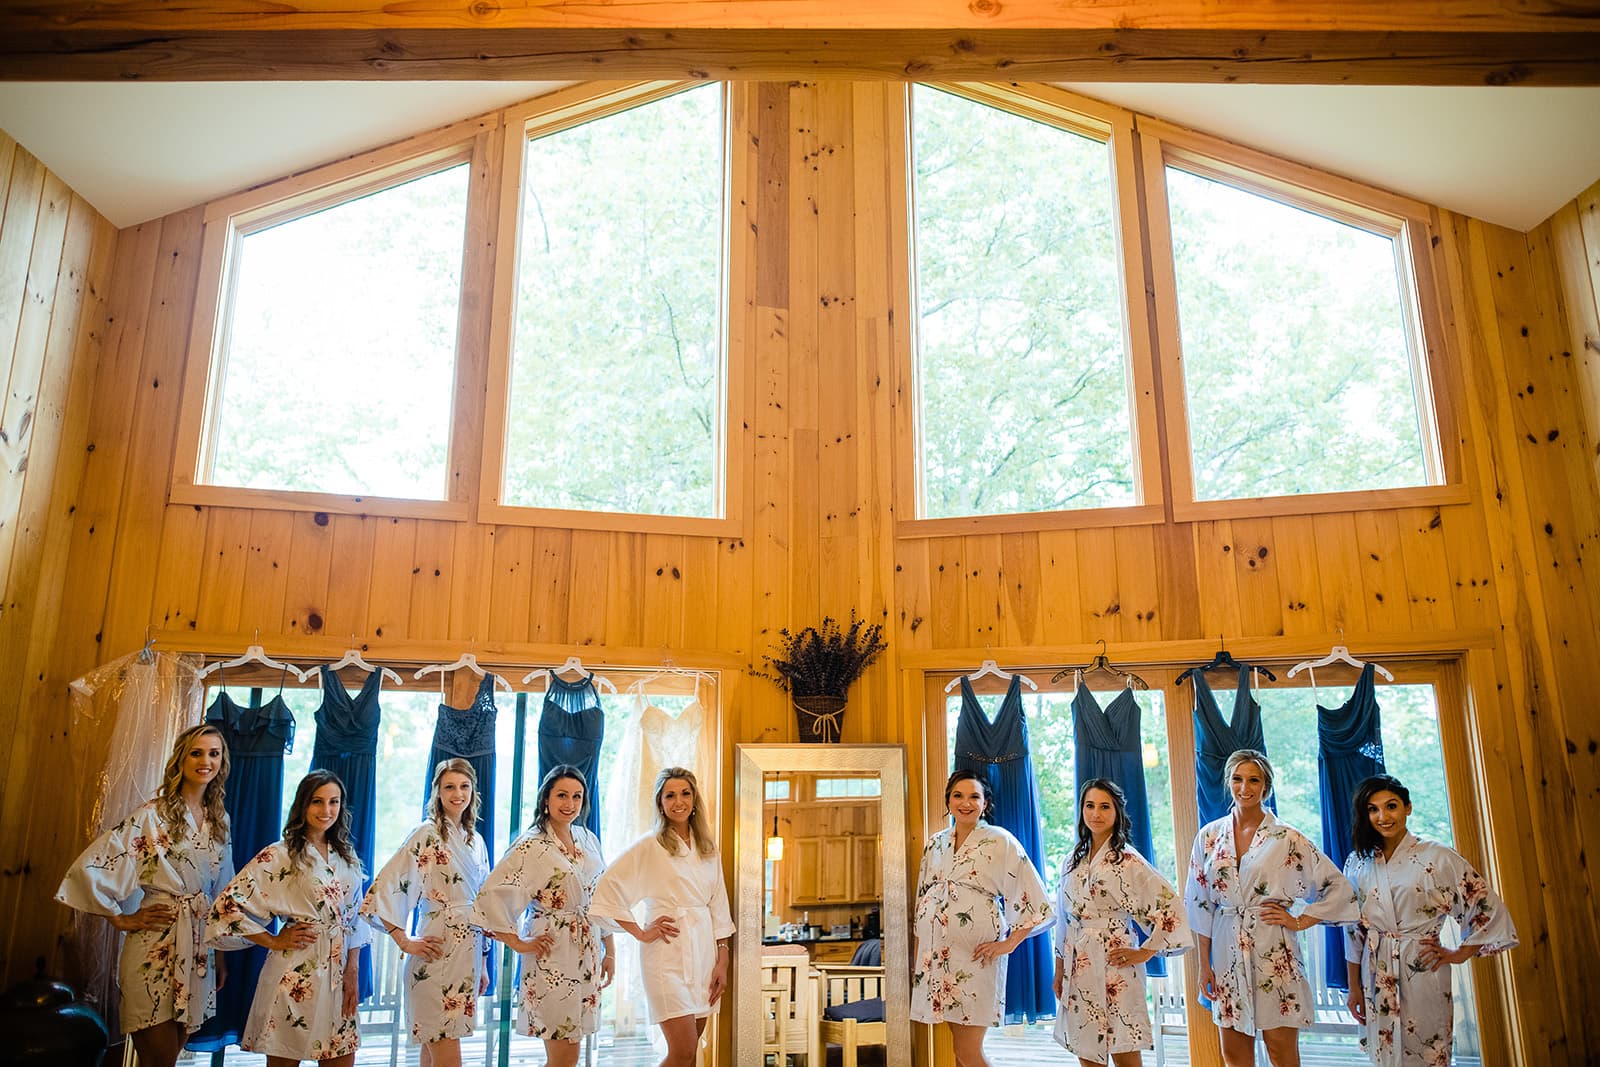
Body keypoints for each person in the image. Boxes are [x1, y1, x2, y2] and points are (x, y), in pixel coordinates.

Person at [56, 723, 234, 1067]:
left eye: (214, 753)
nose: (206, 761)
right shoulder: (152, 814)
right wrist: (123, 918)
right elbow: (91, 867)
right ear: (181, 759)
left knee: (175, 1050)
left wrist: (221, 953)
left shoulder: (219, 820)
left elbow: (223, 887)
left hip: (198, 948)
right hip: (154, 942)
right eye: (197, 752)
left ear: (222, 761)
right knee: (160, 1059)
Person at [1185, 748, 1359, 1067]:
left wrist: (1301, 920)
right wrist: (1203, 965)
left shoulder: (1287, 838)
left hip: (1274, 947)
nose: (1245, 787)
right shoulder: (1208, 837)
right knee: (1234, 1054)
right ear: (1228, 782)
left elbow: (1338, 887)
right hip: (1226, 950)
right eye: (1237, 779)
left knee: (1281, 1052)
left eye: (1254, 780)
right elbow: (1199, 902)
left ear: (1266, 787)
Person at [1342, 774, 1517, 1066]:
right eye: (1373, 809)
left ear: (1408, 807)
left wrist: (1458, 953)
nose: (1383, 816)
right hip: (1375, 970)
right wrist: (1353, 987)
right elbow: (1353, 930)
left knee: (1427, 1049)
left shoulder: (1437, 857)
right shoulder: (1357, 861)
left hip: (1422, 966)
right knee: (1385, 1055)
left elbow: (1485, 906)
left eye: (1391, 806)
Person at [206, 769, 369, 1066]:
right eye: (317, 802)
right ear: (303, 805)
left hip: (338, 974)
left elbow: (355, 916)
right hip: (294, 973)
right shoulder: (280, 855)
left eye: (334, 802)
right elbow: (227, 907)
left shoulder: (346, 856)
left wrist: (353, 971)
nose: (326, 810)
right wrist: (272, 939)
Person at [471, 765, 615, 1067]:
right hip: (552, 953)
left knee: (571, 1052)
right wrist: (519, 942)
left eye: (577, 796)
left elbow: (602, 898)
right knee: (563, 1055)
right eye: (562, 795)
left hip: (587, 950)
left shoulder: (588, 839)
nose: (570, 803)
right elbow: (493, 895)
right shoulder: (531, 845)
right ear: (545, 799)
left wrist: (609, 951)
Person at [588, 766, 732, 1067]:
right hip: (665, 956)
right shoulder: (650, 845)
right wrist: (640, 931)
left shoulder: (707, 847)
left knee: (691, 1055)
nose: (678, 801)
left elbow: (718, 904)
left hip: (704, 953)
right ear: (660, 803)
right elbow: (607, 889)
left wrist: (723, 958)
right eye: (670, 795)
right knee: (681, 1051)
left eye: (685, 794)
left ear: (694, 800)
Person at [912, 769, 1052, 1067]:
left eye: (974, 796)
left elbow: (1031, 893)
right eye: (958, 796)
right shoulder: (935, 843)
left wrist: (1008, 944)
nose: (966, 803)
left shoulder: (999, 841)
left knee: (968, 1051)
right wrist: (919, 957)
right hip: (936, 958)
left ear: (985, 803)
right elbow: (921, 898)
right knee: (959, 1051)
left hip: (976, 957)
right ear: (948, 801)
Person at [361, 758, 491, 1065]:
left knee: (433, 1049)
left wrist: (483, 962)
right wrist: (404, 940)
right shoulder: (426, 835)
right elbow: (385, 886)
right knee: (444, 1046)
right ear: (437, 792)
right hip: (435, 951)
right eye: (449, 787)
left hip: (468, 955)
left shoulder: (476, 841)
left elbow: (485, 905)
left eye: (464, 786)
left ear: (473, 791)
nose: (457, 794)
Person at [1052, 778, 1190, 1067]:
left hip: (1117, 963)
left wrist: (1146, 951)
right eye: (1089, 806)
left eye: (1104, 807)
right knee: (1087, 1051)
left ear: (1117, 813)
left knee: (1125, 1050)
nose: (1096, 814)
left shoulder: (1128, 860)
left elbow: (1170, 906)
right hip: (1080, 965)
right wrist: (1059, 969)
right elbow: (1065, 920)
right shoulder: (1071, 861)